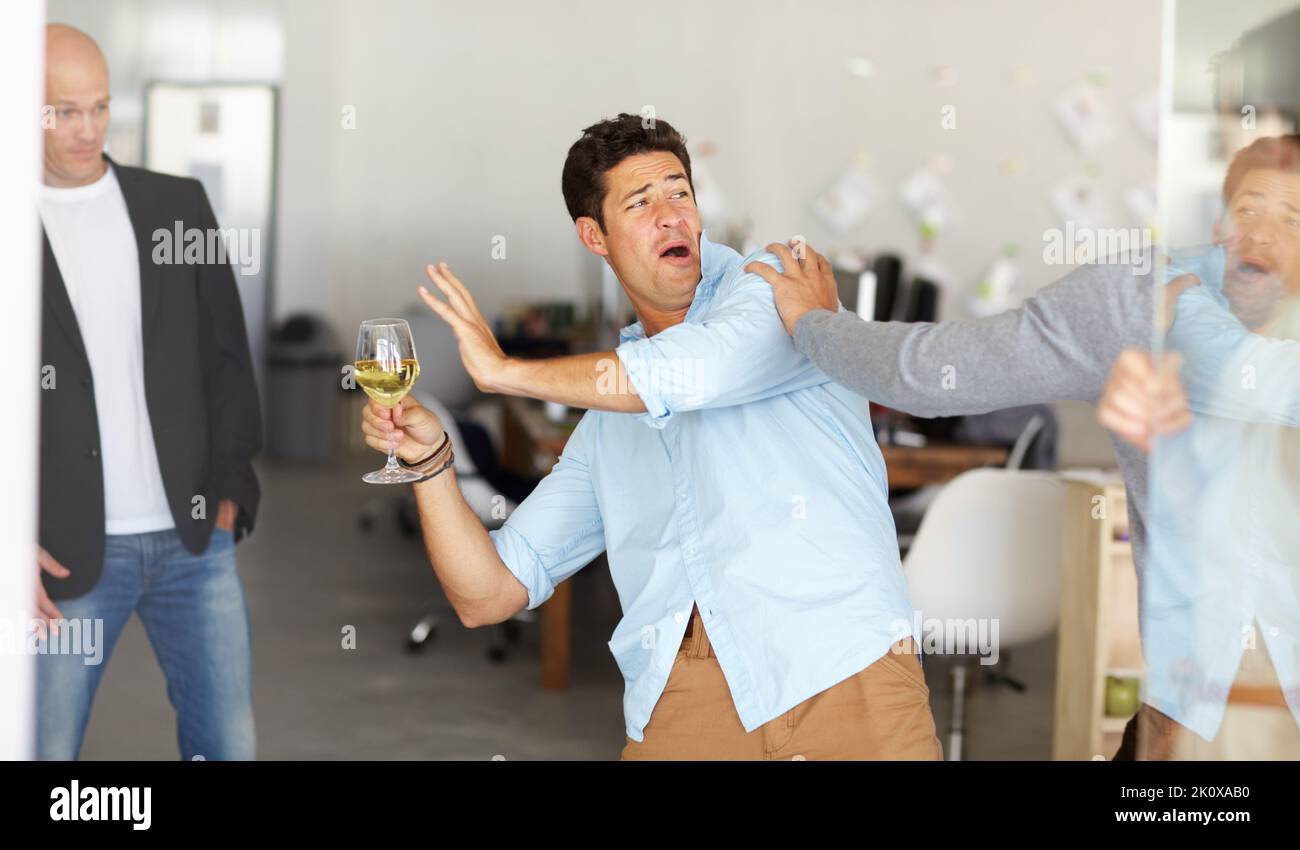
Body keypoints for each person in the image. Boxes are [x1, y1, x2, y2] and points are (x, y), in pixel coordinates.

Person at [361, 113, 942, 759]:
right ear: (595, 236)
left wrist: (503, 372)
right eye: (640, 203)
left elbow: (693, 371)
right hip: (683, 692)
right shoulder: (609, 424)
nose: (671, 216)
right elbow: (489, 593)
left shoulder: (777, 286)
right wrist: (431, 462)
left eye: (680, 192)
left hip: (842, 666)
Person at [748, 134, 1300, 759]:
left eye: (1293, 217)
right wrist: (817, 325)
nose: (1261, 237)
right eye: (1248, 209)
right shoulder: (1132, 299)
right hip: (1191, 731)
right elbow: (935, 371)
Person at [36, 24, 262, 760]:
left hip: (193, 541)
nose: (87, 129)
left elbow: (226, 356)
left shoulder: (177, 205)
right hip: (62, 557)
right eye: (63, 111)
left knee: (226, 746)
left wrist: (230, 487)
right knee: (45, 751)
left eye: (98, 107)